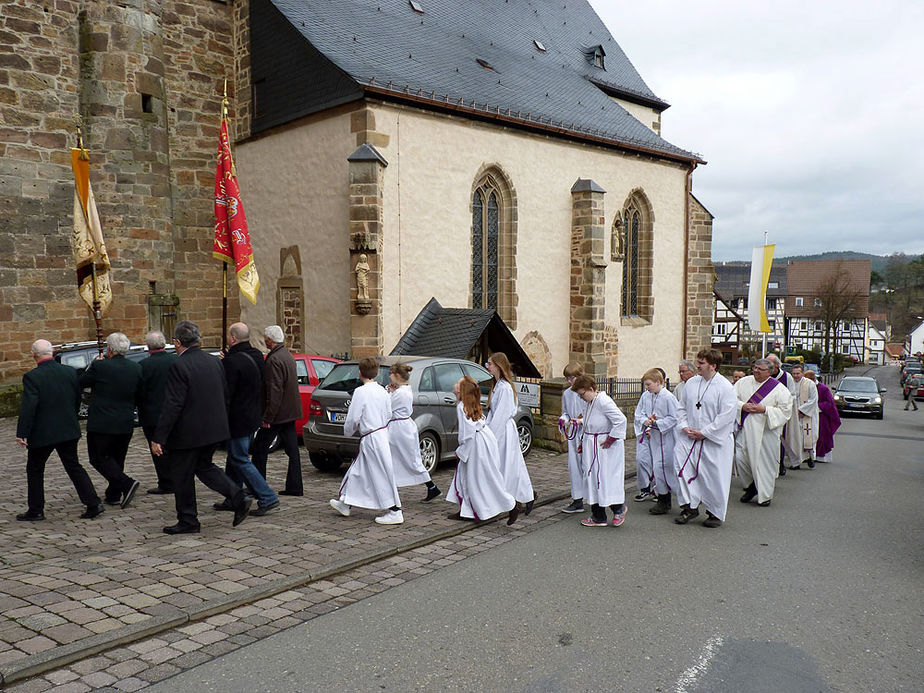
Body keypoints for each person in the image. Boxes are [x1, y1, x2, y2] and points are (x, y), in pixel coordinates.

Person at [151, 321, 252, 534]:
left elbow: (173, 404)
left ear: (177, 342)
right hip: (213, 428)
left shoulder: (180, 365)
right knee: (204, 467)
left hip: (189, 432)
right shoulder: (213, 361)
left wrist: (159, 436)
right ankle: (237, 495)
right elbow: (224, 395)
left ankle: (188, 519)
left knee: (182, 475)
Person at [15, 339, 104, 521]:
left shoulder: (32, 376)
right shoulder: (69, 372)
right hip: (67, 427)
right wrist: (72, 415)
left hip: (43, 431)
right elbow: (76, 398)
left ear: (34, 354)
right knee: (73, 466)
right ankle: (93, 503)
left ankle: (36, 509)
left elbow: (29, 406)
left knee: (35, 469)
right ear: (53, 352)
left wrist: (22, 431)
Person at [329, 357, 404, 524]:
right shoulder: (382, 391)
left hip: (371, 437)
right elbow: (388, 414)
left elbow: (353, 417)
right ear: (376, 373)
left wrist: (349, 431)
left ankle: (395, 510)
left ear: (360, 373)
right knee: (358, 470)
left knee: (380, 472)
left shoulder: (361, 392)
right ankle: (345, 502)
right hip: (380, 434)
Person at [217, 322, 280, 517]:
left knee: (240, 458)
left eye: (229, 335)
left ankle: (267, 496)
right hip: (251, 414)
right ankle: (233, 496)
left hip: (238, 417)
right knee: (234, 457)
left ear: (233, 338)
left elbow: (227, 392)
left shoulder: (232, 361)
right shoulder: (255, 355)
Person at [673, 348, 738, 528]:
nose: (698, 366)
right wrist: (685, 427)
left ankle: (714, 512)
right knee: (683, 470)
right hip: (690, 437)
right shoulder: (692, 383)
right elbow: (681, 408)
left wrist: (706, 432)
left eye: (702, 363)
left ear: (713, 365)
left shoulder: (725, 387)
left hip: (713, 440)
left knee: (712, 476)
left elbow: (726, 416)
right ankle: (689, 507)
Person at [79, 332, 142, 509]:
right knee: (117, 459)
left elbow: (81, 382)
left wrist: (94, 365)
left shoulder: (101, 367)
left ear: (109, 349)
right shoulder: (136, 368)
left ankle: (126, 483)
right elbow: (139, 393)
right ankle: (113, 494)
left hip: (102, 421)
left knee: (98, 458)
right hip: (125, 420)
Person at [446, 376, 519, 524]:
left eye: (457, 383)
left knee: (482, 478)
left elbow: (468, 434)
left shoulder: (462, 407)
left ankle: (512, 504)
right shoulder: (464, 404)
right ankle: (467, 510)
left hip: (477, 445)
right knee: (465, 477)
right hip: (481, 440)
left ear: (462, 390)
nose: (454, 385)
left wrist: (461, 451)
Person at [251, 325, 304, 496]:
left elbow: (274, 391)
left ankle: (258, 487)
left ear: (270, 340)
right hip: (289, 412)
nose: (264, 340)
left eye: (266, 338)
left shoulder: (274, 360)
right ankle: (295, 486)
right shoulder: (287, 355)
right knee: (293, 451)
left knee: (259, 449)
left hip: (278, 414)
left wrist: (268, 417)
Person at [735, 359, 793, 507]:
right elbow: (730, 399)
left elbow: (786, 411)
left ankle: (765, 495)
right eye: (754, 368)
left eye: (760, 369)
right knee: (740, 458)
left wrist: (765, 410)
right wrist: (742, 406)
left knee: (764, 463)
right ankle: (751, 486)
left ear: (770, 372)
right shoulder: (743, 382)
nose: (756, 371)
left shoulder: (779, 389)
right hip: (746, 428)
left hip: (766, 431)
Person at [571, 374, 627, 527]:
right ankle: (598, 516)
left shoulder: (603, 401)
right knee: (592, 480)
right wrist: (581, 425)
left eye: (582, 394)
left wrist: (611, 438)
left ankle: (619, 509)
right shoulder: (590, 402)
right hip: (592, 444)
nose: (581, 398)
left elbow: (620, 420)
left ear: (591, 389)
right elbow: (593, 420)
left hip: (603, 447)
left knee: (604, 479)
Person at [486, 352, 536, 513]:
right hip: (500, 429)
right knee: (507, 466)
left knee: (509, 466)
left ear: (498, 366)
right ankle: (520, 496)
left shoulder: (505, 388)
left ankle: (523, 496)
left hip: (504, 432)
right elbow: (493, 413)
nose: (488, 366)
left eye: (490, 364)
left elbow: (501, 414)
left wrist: (491, 437)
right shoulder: (498, 385)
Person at [386, 363, 440, 502]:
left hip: (400, 429)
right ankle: (431, 487)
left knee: (408, 459)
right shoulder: (403, 390)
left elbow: (387, 408)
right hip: (402, 427)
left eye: (391, 373)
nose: (389, 376)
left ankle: (431, 487)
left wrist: (388, 393)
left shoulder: (401, 393)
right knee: (404, 459)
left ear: (397, 375)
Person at [633, 368, 680, 516]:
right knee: (657, 467)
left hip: (666, 438)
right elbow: (638, 413)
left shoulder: (668, 397)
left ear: (658, 382)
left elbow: (674, 417)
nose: (646, 387)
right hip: (653, 437)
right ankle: (662, 499)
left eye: (648, 384)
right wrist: (645, 421)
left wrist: (657, 424)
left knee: (664, 467)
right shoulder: (647, 396)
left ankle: (667, 500)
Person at [138, 331, 177, 494]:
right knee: (174, 447)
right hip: (174, 411)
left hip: (152, 414)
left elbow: (139, 391)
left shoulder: (143, 365)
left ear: (148, 346)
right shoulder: (176, 360)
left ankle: (166, 482)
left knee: (158, 450)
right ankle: (178, 478)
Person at [558, 361, 586, 513]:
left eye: (572, 378)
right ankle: (577, 500)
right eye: (567, 378)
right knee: (574, 466)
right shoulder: (567, 393)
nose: (569, 382)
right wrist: (564, 419)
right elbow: (566, 412)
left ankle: (596, 499)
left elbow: (594, 413)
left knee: (587, 465)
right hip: (574, 435)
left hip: (587, 433)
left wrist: (582, 420)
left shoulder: (588, 391)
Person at [765, 353, 796, 477]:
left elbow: (792, 395)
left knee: (780, 439)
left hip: (780, 413)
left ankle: (780, 463)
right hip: (765, 411)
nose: (766, 366)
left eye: (769, 363)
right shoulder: (764, 376)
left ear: (777, 365)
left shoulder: (786, 377)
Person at [805, 371, 841, 462]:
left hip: (821, 415)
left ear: (814, 379)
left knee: (821, 435)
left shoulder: (823, 389)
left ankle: (821, 457)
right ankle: (807, 456)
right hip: (806, 415)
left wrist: (815, 406)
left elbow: (829, 403)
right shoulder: (804, 387)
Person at [788, 364, 819, 469]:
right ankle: (796, 462)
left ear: (802, 373)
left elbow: (813, 399)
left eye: (798, 373)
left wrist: (802, 411)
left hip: (807, 416)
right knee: (794, 439)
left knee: (809, 438)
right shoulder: (789, 383)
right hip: (793, 415)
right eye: (794, 374)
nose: (796, 376)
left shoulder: (810, 384)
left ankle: (810, 457)